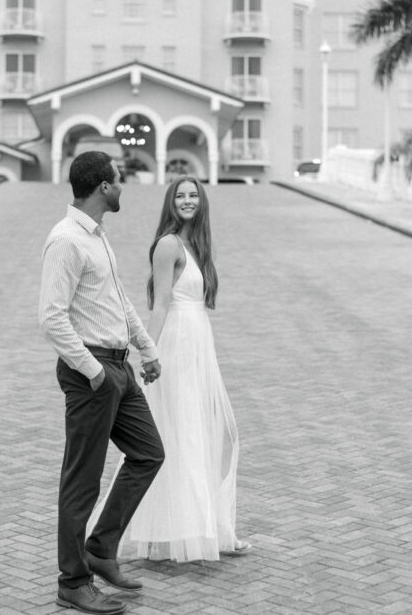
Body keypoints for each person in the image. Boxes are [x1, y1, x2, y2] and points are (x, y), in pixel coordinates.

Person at [89, 176, 249, 562]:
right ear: (170, 202)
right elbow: (160, 305)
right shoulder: (168, 245)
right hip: (176, 346)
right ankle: (192, 532)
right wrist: (147, 353)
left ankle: (208, 527)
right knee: (187, 433)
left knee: (215, 434)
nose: (188, 200)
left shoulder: (197, 245)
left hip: (198, 347)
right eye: (181, 195)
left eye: (194, 195)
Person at [39, 150, 166, 615]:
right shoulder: (66, 241)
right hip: (91, 371)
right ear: (101, 187)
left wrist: (147, 349)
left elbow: (118, 299)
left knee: (149, 453)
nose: (122, 185)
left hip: (119, 367)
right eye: (118, 179)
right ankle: (73, 582)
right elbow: (51, 320)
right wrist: (93, 373)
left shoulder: (97, 236)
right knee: (82, 481)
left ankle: (100, 549)